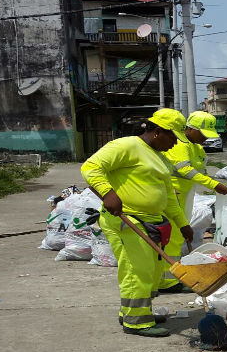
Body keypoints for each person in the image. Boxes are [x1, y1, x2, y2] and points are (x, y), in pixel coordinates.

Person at [81, 108, 193, 337]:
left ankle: (136, 311)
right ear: (159, 132)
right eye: (173, 137)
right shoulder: (126, 146)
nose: (175, 144)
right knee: (136, 271)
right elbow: (91, 168)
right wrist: (107, 193)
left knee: (151, 272)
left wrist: (182, 223)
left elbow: (169, 196)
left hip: (153, 221)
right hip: (128, 219)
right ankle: (137, 322)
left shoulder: (160, 157)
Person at [156, 111, 227, 293]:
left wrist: (221, 187)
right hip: (173, 194)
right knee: (173, 237)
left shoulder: (196, 148)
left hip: (185, 195)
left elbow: (200, 172)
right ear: (190, 129)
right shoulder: (180, 144)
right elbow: (185, 170)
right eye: (202, 134)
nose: (205, 138)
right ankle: (167, 282)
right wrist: (215, 185)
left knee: (177, 236)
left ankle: (169, 278)